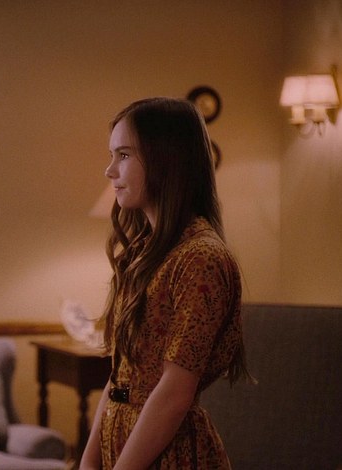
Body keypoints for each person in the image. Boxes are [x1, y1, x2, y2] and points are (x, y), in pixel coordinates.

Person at [80, 97, 252, 469]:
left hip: (168, 456)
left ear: (165, 161)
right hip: (121, 447)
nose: (110, 170)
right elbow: (119, 378)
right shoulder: (144, 252)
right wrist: (88, 462)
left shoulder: (201, 259)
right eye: (112, 155)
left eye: (124, 155)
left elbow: (174, 394)